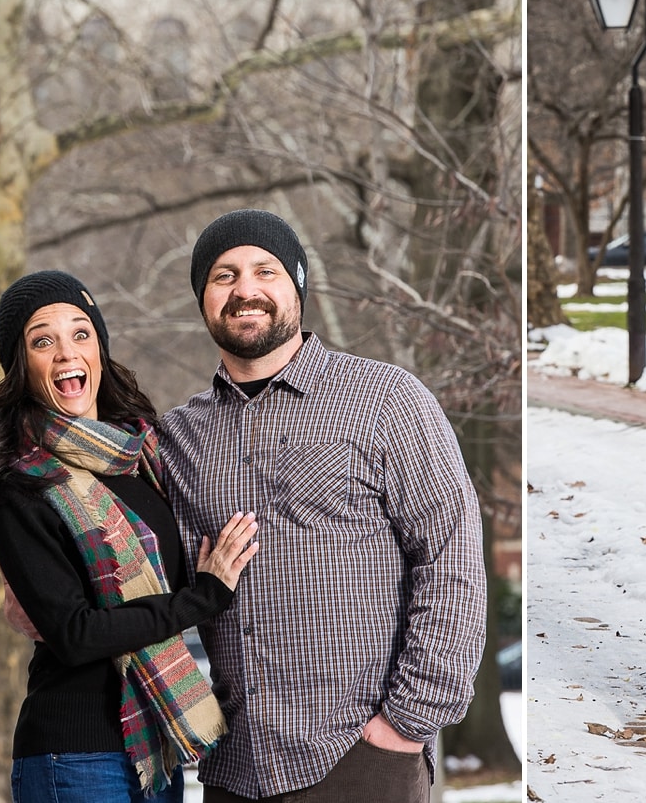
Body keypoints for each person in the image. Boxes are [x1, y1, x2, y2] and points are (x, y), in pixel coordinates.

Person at [158, 209, 488, 802]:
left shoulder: (387, 401)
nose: (246, 290)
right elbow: (146, 578)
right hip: (235, 768)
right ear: (203, 297)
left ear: (299, 287)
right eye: (224, 276)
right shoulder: (179, 439)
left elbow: (450, 555)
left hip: (359, 760)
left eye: (266, 271)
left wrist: (404, 725)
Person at [0, 270, 260, 803]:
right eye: (43, 341)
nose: (67, 353)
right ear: (22, 365)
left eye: (81, 333)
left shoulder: (139, 459)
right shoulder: (19, 484)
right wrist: (202, 598)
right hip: (74, 753)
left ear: (100, 350)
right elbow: (77, 634)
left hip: (153, 746)